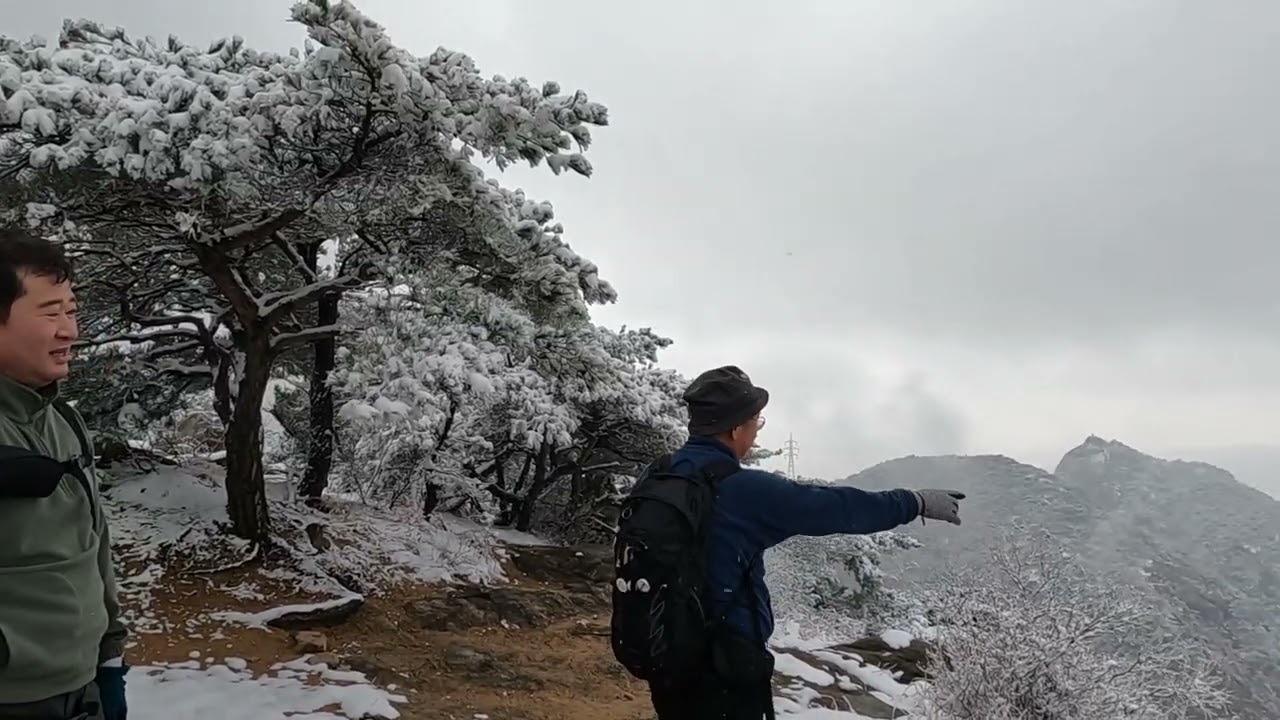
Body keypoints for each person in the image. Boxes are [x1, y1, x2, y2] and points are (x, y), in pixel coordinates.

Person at [629, 365, 964, 720]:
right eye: (755, 422)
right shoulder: (743, 490)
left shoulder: (659, 474)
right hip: (725, 663)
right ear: (734, 427)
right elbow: (838, 508)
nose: (756, 434)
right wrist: (915, 501)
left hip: (665, 647)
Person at [0, 228, 129, 720]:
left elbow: (95, 542)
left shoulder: (64, 422)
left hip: (83, 688)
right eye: (50, 313)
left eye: (71, 311)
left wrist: (111, 656)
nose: (69, 330)